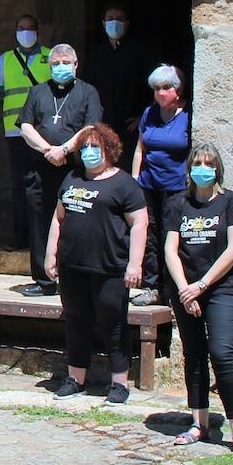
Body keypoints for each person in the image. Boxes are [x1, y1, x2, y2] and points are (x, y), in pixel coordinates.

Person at [43, 124, 147, 405]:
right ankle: (75, 378)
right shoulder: (72, 178)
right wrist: (51, 253)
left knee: (113, 323)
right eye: (85, 147)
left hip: (109, 266)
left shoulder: (124, 184)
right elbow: (59, 217)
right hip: (72, 265)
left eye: (95, 147)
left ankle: (119, 383)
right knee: (76, 320)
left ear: (109, 150)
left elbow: (139, 223)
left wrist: (135, 264)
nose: (89, 152)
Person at [163, 144, 233, 456]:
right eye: (198, 163)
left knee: (221, 352)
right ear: (189, 169)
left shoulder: (231, 202)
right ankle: (198, 422)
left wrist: (201, 285)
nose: (203, 168)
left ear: (217, 169)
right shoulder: (178, 204)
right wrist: (185, 288)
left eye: (209, 163)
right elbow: (170, 249)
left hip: (219, 288)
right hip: (185, 288)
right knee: (195, 353)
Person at [18, 44, 103, 296]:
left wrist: (63, 150)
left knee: (75, 221)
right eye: (56, 63)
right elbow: (25, 125)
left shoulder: (88, 92)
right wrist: (48, 150)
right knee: (39, 221)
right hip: (41, 169)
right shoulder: (38, 92)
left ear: (76, 65)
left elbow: (91, 127)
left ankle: (73, 278)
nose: (61, 67)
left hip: (73, 169)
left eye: (66, 62)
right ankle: (44, 281)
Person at [0, 14, 50, 252]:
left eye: (30, 28)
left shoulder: (49, 57)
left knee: (43, 185)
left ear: (38, 31)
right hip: (15, 132)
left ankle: (42, 238)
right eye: (21, 28)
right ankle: (21, 235)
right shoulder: (6, 59)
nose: (25, 33)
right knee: (20, 186)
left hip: (44, 132)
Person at [130, 65, 191, 307]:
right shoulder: (149, 113)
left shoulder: (188, 115)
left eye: (166, 88)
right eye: (156, 89)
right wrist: (135, 179)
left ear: (178, 90)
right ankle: (153, 286)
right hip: (149, 185)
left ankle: (173, 288)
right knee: (151, 236)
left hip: (176, 187)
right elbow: (139, 149)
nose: (160, 93)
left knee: (171, 235)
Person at [83, 3, 153, 160]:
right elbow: (86, 88)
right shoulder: (96, 55)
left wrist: (144, 116)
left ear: (127, 23)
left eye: (119, 19)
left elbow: (156, 86)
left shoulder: (140, 51)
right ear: (103, 23)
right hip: (103, 124)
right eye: (110, 19)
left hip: (130, 126)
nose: (114, 22)